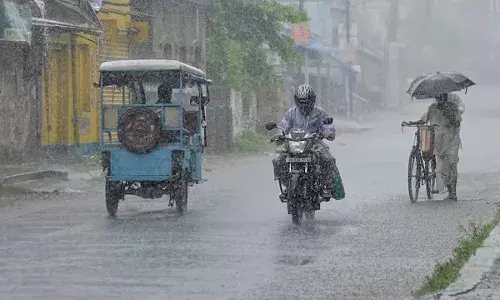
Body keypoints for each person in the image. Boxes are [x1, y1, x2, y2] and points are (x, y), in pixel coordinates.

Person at [272, 84, 336, 201]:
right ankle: (287, 184)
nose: (304, 105)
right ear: (296, 100)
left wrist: (327, 132)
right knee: (277, 160)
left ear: (312, 100)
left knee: (328, 159)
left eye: (306, 102)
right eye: (301, 102)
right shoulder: (291, 113)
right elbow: (283, 126)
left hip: (315, 142)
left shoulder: (320, 112)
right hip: (293, 143)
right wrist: (279, 135)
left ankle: (326, 186)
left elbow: (328, 127)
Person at [403, 92, 464, 201]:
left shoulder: (453, 107)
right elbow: (424, 120)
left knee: (452, 165)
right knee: (441, 168)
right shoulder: (432, 108)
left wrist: (449, 115)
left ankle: (452, 193)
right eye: (438, 97)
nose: (441, 99)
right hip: (439, 141)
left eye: (442, 97)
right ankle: (449, 188)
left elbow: (458, 122)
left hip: (452, 140)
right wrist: (411, 122)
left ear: (446, 97)